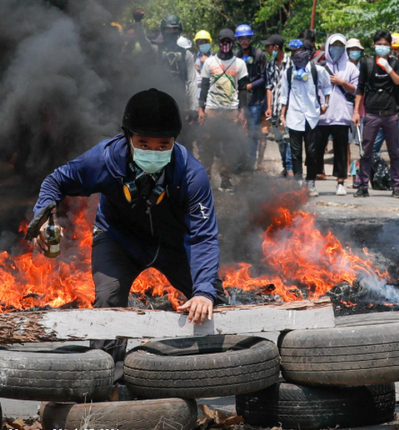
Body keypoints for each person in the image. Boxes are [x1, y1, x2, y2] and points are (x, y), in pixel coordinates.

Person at [32, 88, 228, 381]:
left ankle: (223, 371)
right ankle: (104, 381)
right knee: (107, 302)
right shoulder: (103, 159)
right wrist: (44, 215)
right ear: (128, 137)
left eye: (164, 145)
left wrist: (202, 291)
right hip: (117, 240)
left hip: (173, 245)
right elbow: (55, 181)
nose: (154, 151)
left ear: (175, 140)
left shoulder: (192, 174)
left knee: (213, 300)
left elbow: (203, 236)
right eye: (143, 143)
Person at [353, 30, 399, 198]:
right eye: (379, 44)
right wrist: (356, 112)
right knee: (366, 152)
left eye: (385, 45)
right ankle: (362, 186)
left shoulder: (395, 64)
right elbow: (360, 88)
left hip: (390, 114)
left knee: (394, 152)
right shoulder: (367, 64)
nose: (382, 47)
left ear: (390, 47)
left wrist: (388, 67)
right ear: (374, 45)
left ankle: (396, 186)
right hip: (371, 113)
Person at [198, 28, 249, 191]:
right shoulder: (209, 62)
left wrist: (242, 112)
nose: (225, 44)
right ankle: (205, 177)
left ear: (232, 43)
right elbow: (204, 87)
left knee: (229, 146)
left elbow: (243, 89)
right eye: (223, 42)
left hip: (231, 111)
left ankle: (226, 179)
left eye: (228, 42)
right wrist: (201, 109)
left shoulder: (240, 64)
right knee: (207, 145)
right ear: (218, 43)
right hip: (212, 110)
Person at [279, 39, 331, 197]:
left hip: (311, 116)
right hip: (294, 116)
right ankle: (298, 183)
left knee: (312, 151)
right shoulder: (288, 73)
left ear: (307, 53)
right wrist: (282, 114)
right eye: (293, 52)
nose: (295, 55)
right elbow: (284, 95)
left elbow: (327, 87)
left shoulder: (317, 71)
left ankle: (310, 183)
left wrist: (325, 105)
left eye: (298, 51)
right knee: (295, 152)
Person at [133, 11, 198, 122]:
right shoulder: (155, 50)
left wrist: (194, 108)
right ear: (163, 31)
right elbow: (142, 40)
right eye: (168, 29)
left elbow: (191, 82)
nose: (172, 33)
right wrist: (138, 22)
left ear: (179, 31)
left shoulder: (186, 55)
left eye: (175, 29)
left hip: (178, 103)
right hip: (157, 102)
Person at [316, 34, 359, 196]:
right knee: (317, 150)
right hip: (321, 116)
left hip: (342, 115)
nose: (337, 48)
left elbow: (357, 90)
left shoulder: (350, 68)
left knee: (341, 151)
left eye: (341, 45)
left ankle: (340, 182)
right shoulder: (320, 67)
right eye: (334, 45)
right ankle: (312, 180)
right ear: (328, 46)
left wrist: (342, 83)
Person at [372, 33, 399, 179]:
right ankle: (369, 175)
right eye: (394, 49)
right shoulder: (376, 65)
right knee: (373, 147)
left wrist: (391, 69)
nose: (396, 52)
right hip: (380, 111)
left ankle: (398, 177)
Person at [235, 24, 267, 169]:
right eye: (241, 39)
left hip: (255, 100)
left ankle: (251, 162)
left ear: (251, 39)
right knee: (238, 131)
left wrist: (250, 85)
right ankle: (239, 162)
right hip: (239, 101)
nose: (244, 42)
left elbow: (264, 78)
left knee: (253, 133)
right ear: (237, 40)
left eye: (247, 38)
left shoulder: (260, 55)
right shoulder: (235, 56)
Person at [263, 34, 293, 178]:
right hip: (275, 108)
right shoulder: (270, 65)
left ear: (276, 47)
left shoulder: (292, 63)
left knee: (289, 139)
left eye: (268, 46)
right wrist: (269, 107)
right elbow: (269, 87)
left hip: (289, 109)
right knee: (280, 140)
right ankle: (286, 167)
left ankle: (290, 168)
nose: (267, 49)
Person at [346, 38, 366, 187]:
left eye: (357, 49)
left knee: (362, 142)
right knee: (345, 141)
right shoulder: (342, 67)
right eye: (352, 49)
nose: (355, 52)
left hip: (362, 109)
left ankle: (360, 171)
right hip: (345, 107)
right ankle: (347, 169)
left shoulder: (364, 66)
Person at [193, 30, 213, 99]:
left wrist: (207, 63)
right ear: (196, 45)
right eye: (201, 42)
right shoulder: (193, 58)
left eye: (206, 42)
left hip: (210, 95)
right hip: (196, 95)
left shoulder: (214, 59)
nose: (204, 44)